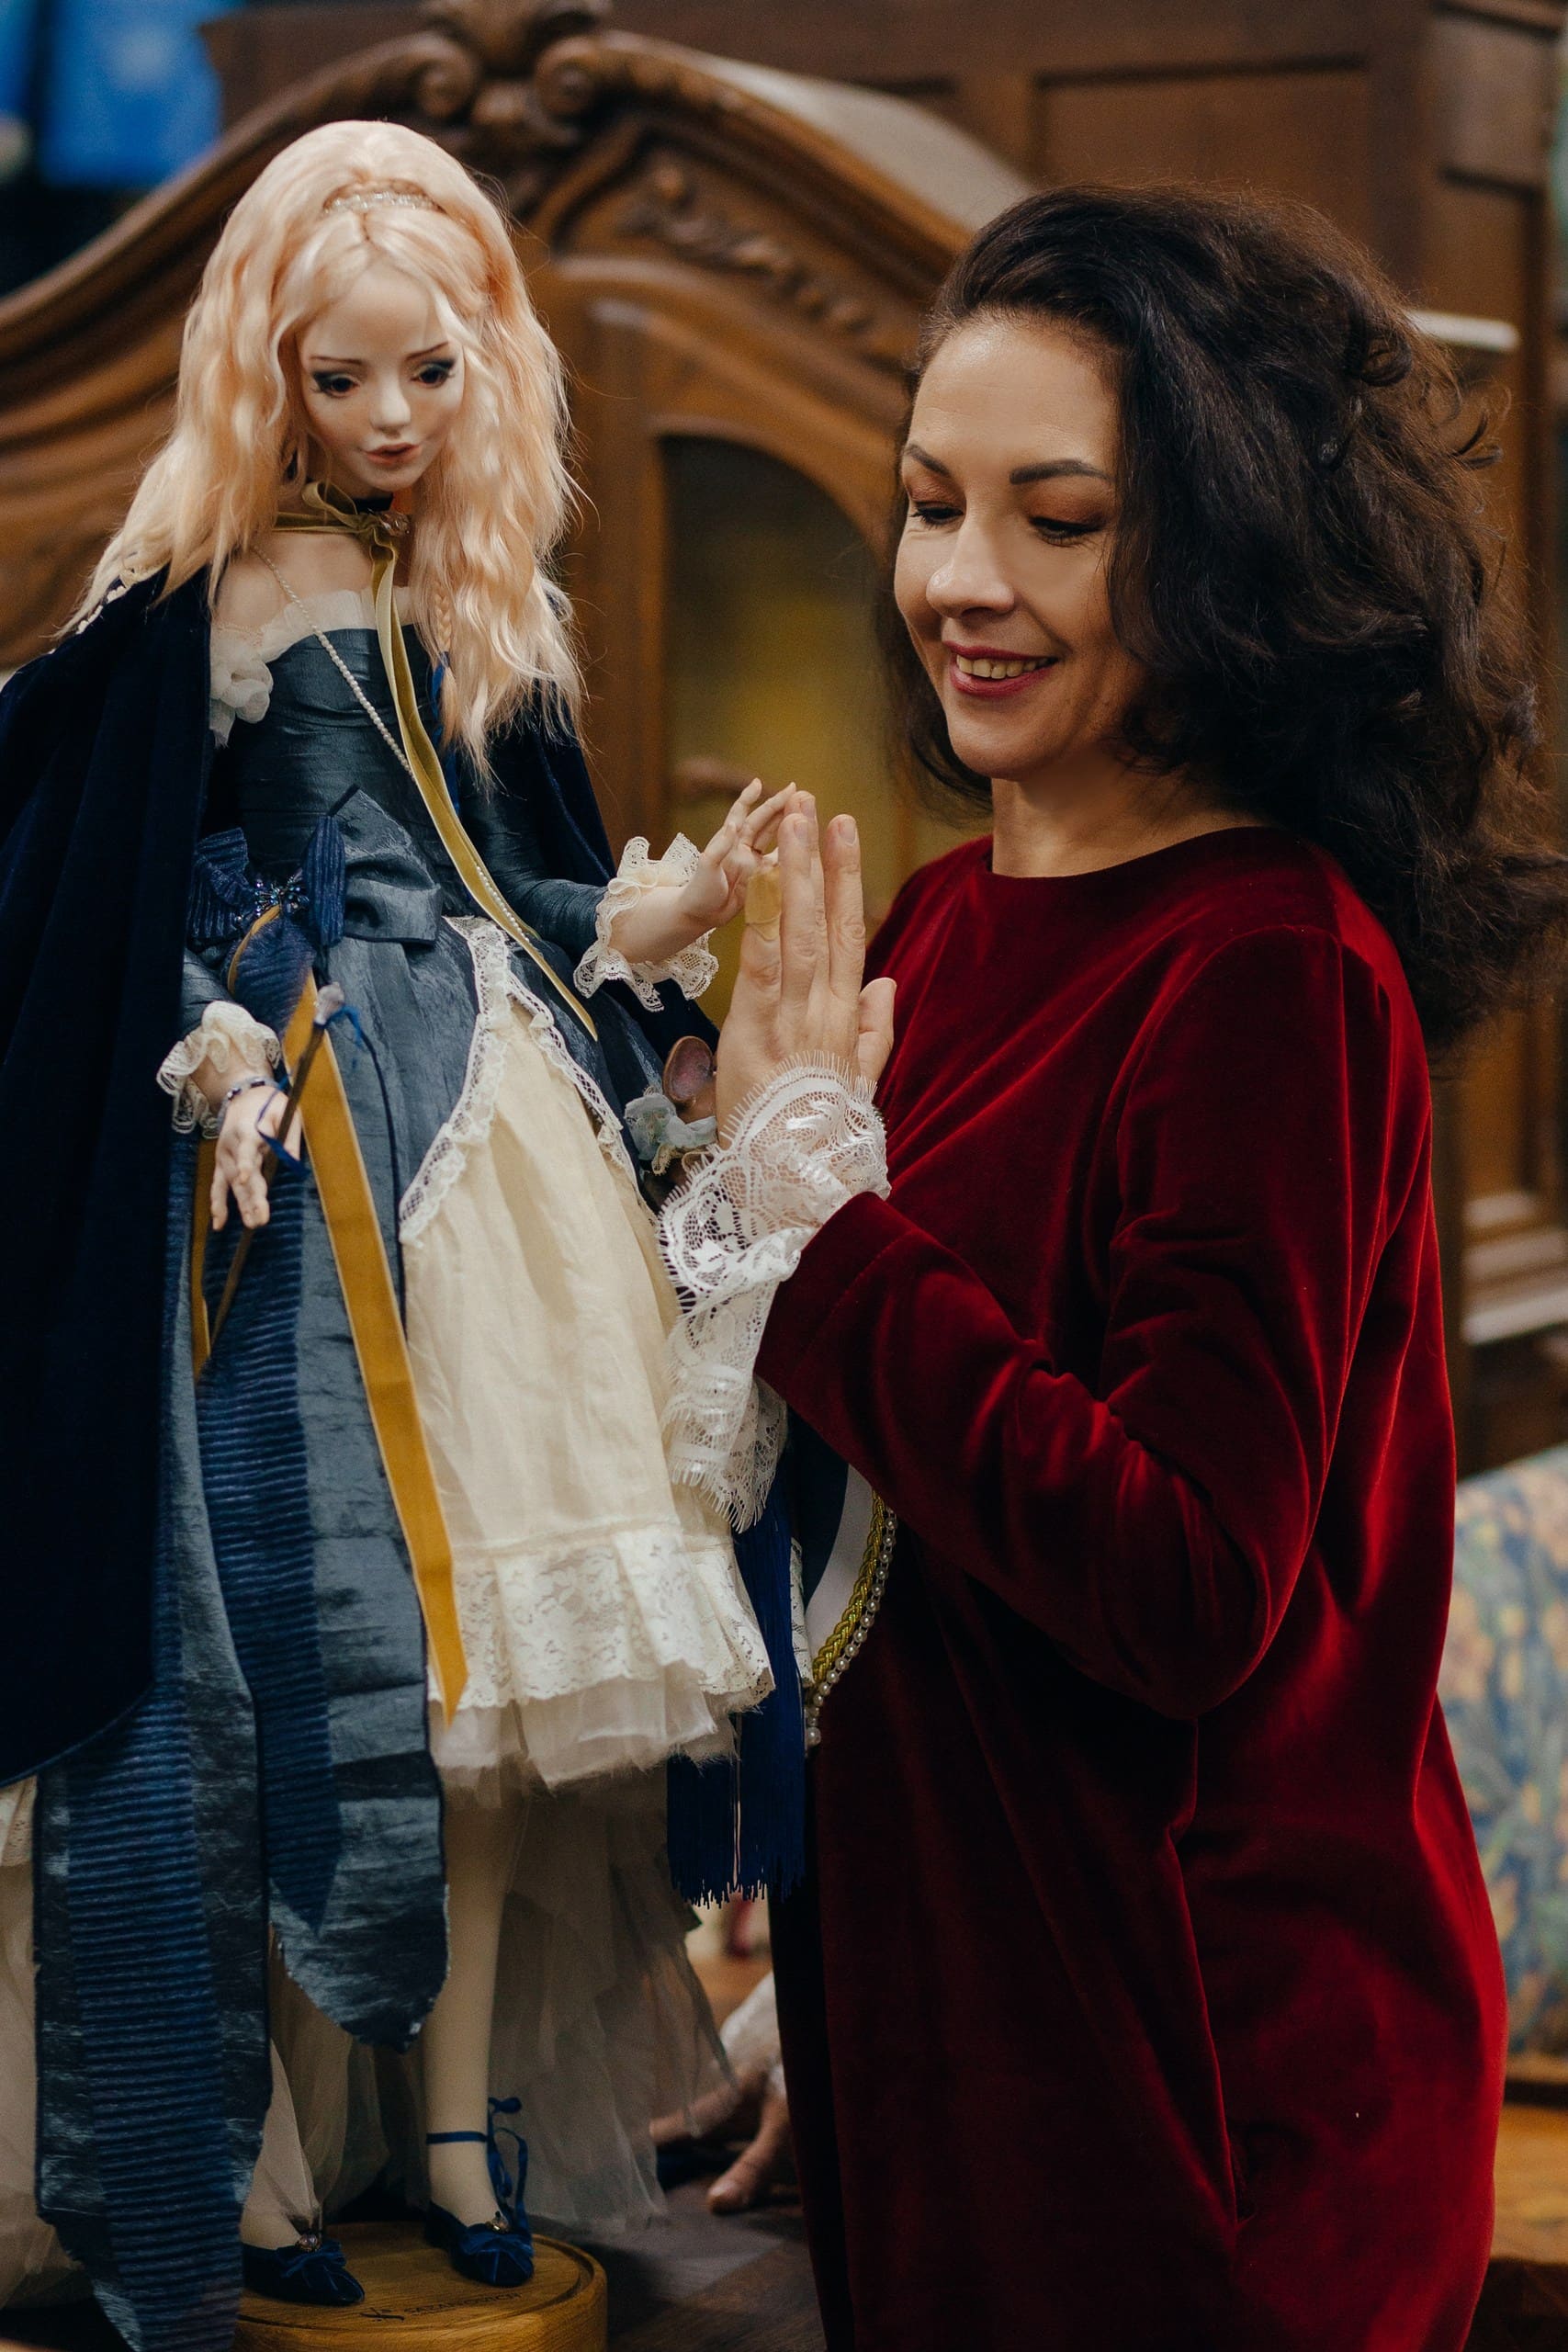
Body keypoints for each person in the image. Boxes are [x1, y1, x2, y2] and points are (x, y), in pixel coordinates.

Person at [659, 187, 1568, 2349]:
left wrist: (813, 1223)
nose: (959, 580)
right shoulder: (944, 924)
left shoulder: (1265, 968)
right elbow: (868, 1510)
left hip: (1204, 2109)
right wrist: (823, 1982)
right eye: (928, 504)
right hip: (967, 2033)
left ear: (1223, 555)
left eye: (1055, 519)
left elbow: (1177, 1581)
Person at [0, 118, 798, 2352]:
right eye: (338, 377)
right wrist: (213, 1043)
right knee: (284, 1651)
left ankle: (454, 2132)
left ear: (483, 366)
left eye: (425, 374)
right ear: (264, 371)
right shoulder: (195, 611)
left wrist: (636, 909)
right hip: (308, 1157)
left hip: (499, 1131)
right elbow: (110, 894)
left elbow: (502, 874)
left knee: (496, 1712)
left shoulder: (472, 601)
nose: (382, 418)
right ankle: (250, 2142)